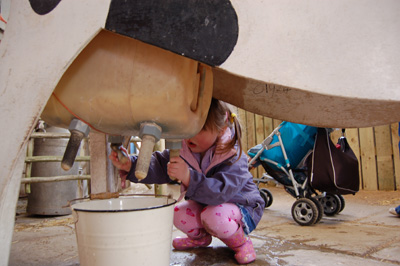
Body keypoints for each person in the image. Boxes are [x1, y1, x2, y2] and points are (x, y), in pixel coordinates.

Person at [109, 98, 265, 264]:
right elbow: (161, 165)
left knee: (213, 215)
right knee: (177, 212)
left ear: (221, 130)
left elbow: (220, 193)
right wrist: (131, 165)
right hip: (209, 208)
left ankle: (241, 243)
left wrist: (189, 177)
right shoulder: (184, 148)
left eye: (199, 129)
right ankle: (201, 238)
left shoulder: (235, 157)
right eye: (188, 128)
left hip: (243, 209)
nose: (191, 135)